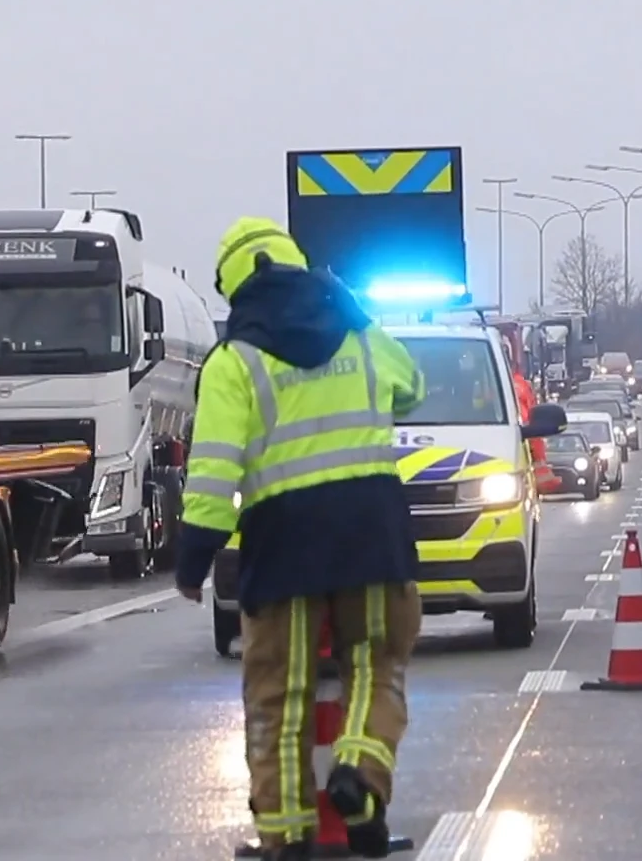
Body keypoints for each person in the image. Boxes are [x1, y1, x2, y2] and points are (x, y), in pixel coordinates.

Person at [175, 217, 425, 861]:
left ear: (231, 286)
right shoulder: (358, 334)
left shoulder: (233, 361)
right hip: (372, 532)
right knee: (377, 664)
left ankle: (287, 837)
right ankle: (360, 777)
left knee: (275, 695)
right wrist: (358, 311)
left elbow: (213, 471)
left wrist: (195, 554)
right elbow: (412, 388)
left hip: (282, 546)